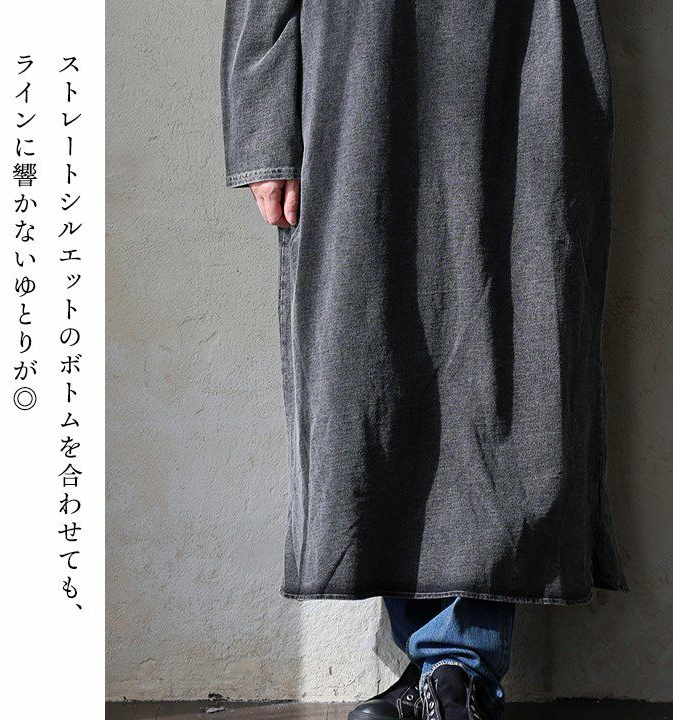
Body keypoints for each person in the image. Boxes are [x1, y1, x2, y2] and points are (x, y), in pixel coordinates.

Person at [220, 2, 629, 719]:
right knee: (371, 366)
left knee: (513, 356)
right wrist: (264, 133)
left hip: (524, 64)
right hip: (358, 87)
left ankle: (454, 667)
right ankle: (446, 666)